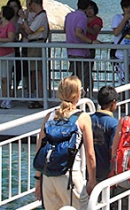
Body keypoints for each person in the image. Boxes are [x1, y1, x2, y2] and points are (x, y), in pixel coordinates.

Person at [34, 76, 96, 210]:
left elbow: (40, 149)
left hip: (48, 177)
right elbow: (90, 154)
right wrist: (92, 181)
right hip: (70, 177)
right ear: (78, 94)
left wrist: (38, 180)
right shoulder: (83, 118)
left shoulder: (50, 116)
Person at [19, 0, 49, 109]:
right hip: (34, 44)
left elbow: (29, 30)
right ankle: (39, 97)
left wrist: (23, 18)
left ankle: (41, 98)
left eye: (30, 4)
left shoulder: (41, 16)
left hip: (36, 45)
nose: (29, 7)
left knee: (37, 72)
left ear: (34, 4)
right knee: (35, 72)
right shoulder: (39, 16)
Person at [64, 0, 97, 95]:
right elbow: (78, 33)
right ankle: (84, 97)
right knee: (84, 77)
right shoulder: (82, 17)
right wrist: (90, 41)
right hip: (82, 52)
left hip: (70, 51)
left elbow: (65, 30)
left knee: (75, 77)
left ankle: (74, 95)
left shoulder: (69, 16)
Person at [90, 86, 118, 182]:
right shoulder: (114, 124)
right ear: (113, 102)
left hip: (88, 170)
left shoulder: (88, 119)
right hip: (106, 171)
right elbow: (112, 149)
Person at [0, 5, 16, 109]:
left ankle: (7, 98)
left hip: (7, 54)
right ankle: (4, 97)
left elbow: (10, 38)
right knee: (1, 77)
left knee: (6, 77)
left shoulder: (10, 25)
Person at [111, 0, 130, 85]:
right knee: (122, 80)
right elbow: (116, 33)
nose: (129, 10)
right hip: (121, 54)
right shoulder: (117, 17)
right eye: (126, 7)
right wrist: (125, 19)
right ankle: (123, 97)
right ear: (123, 8)